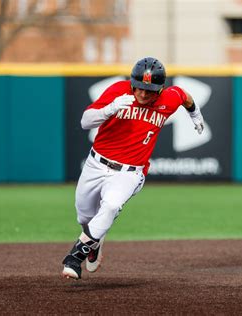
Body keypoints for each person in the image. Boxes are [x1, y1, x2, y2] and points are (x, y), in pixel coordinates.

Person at [62, 57, 204, 280]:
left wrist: (195, 114)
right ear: (132, 82)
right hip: (96, 164)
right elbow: (85, 122)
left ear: (160, 89)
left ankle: (75, 257)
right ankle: (94, 241)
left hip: (130, 172)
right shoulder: (118, 91)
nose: (144, 94)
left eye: (150, 90)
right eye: (140, 88)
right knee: (85, 217)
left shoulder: (169, 97)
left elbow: (184, 96)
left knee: (111, 206)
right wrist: (109, 109)